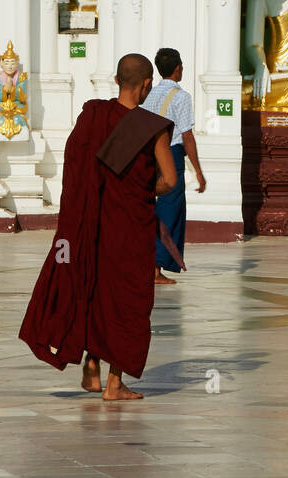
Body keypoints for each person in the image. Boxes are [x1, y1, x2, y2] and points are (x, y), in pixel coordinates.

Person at [18, 54, 178, 402]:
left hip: (91, 226)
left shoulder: (92, 116)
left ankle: (92, 366)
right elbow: (169, 179)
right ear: (147, 84)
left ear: (117, 79)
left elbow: (80, 172)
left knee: (96, 289)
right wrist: (147, 189)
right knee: (126, 301)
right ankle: (114, 384)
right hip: (130, 228)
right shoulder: (151, 128)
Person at [143, 47, 206, 284]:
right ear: (178, 69)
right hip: (171, 153)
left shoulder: (148, 94)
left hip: (147, 153)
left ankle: (146, 262)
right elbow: (187, 135)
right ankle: (155, 269)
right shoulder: (181, 97)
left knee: (149, 208)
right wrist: (198, 172)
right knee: (170, 210)